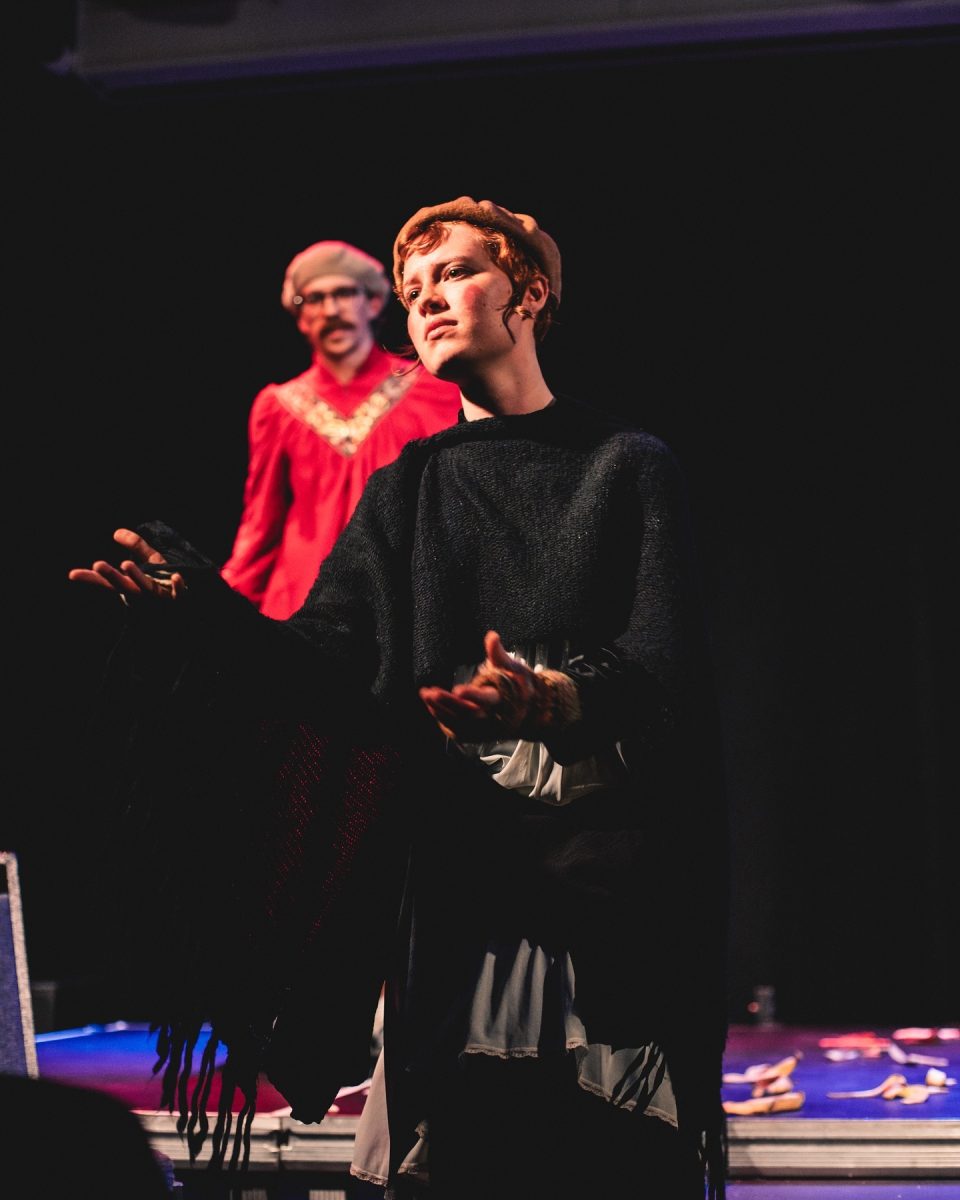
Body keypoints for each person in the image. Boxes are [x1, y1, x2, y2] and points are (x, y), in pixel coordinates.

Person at [68, 197, 729, 1199]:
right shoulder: (409, 486)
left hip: (601, 866)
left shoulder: (625, 466)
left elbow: (662, 659)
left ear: (532, 294)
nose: (426, 302)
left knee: (606, 1146)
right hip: (460, 866)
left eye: (456, 275)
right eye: (413, 290)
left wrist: (545, 698)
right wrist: (203, 616)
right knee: (462, 1141)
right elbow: (327, 663)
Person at [221, 238, 461, 618]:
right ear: (300, 318)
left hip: (403, 605)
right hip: (300, 611)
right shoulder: (277, 407)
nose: (331, 310)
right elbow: (260, 529)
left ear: (374, 303)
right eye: (313, 299)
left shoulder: (436, 388)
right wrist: (208, 602)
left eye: (345, 293)